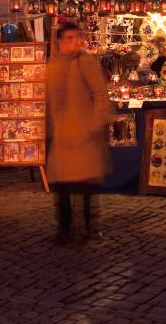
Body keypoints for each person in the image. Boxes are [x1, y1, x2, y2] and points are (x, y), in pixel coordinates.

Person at [46, 22, 112, 244]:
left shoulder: (86, 62)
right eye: (69, 38)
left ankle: (91, 226)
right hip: (62, 135)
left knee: (86, 187)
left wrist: (95, 125)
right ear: (60, 41)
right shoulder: (54, 65)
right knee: (62, 187)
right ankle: (64, 229)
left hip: (84, 133)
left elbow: (100, 95)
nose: (74, 42)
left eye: (77, 38)